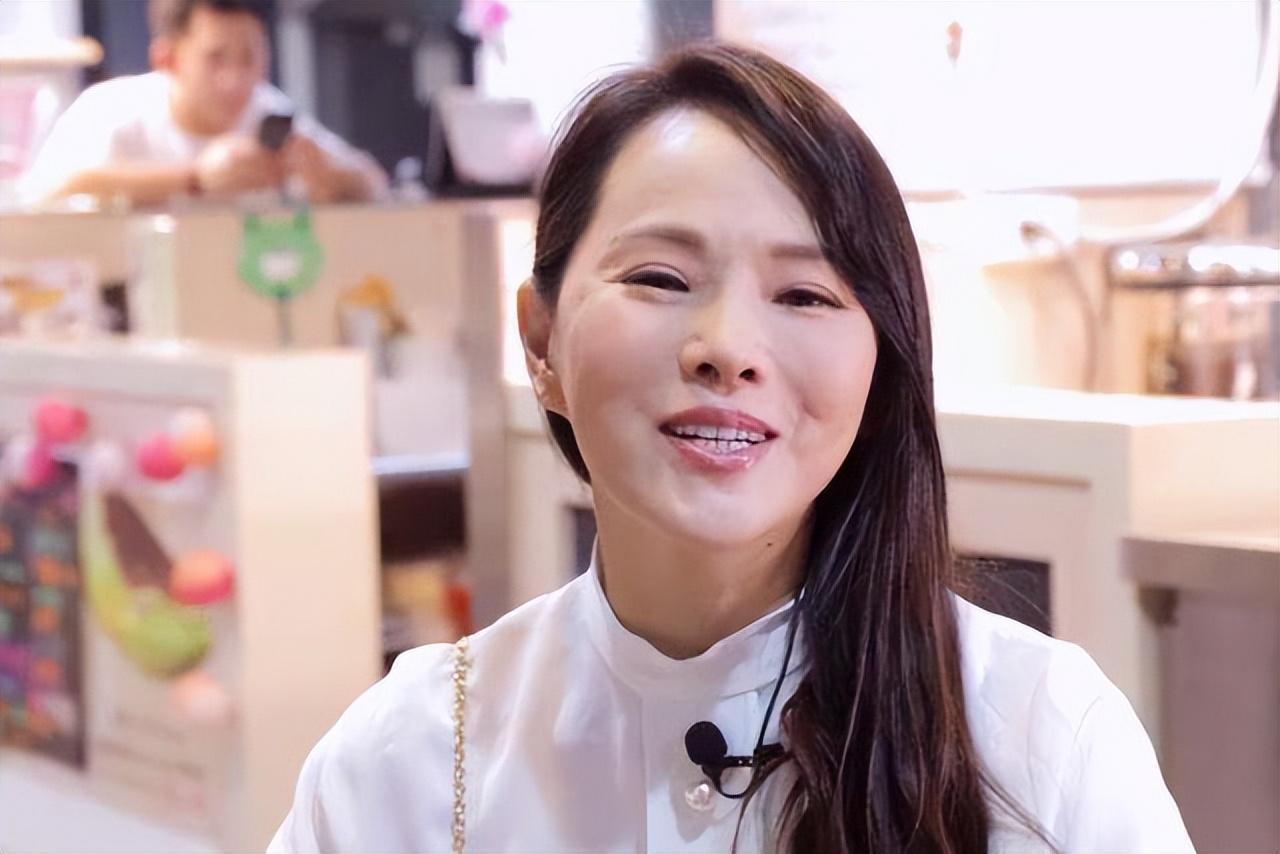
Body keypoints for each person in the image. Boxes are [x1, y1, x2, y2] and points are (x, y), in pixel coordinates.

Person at [269, 43, 1194, 853]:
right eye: (660, 277)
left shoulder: (1043, 739)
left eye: (804, 295)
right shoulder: (408, 760)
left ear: (882, 365)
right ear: (541, 342)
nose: (728, 348)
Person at [19, 0, 386, 207]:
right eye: (215, 59)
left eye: (250, 57)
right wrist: (194, 177)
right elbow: (44, 193)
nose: (236, 79)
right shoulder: (110, 109)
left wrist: (329, 178)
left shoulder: (270, 112)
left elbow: (375, 183)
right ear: (167, 58)